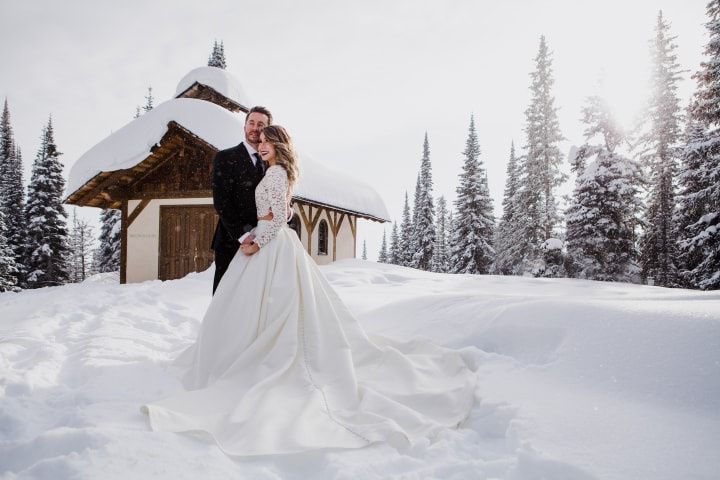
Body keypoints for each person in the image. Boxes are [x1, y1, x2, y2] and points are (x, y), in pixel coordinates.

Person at [142, 126, 478, 456]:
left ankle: (264, 356)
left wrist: (255, 242)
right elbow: (284, 211)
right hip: (274, 245)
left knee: (278, 307)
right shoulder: (279, 172)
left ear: (279, 145)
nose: (261, 146)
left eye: (268, 142)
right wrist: (274, 218)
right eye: (260, 142)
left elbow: (275, 222)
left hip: (269, 247)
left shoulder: (275, 174)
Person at [210, 105, 272, 294]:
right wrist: (243, 235)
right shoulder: (225, 157)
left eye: (260, 124)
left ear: (267, 130)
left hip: (263, 241)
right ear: (244, 126)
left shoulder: (272, 162)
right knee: (225, 294)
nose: (255, 128)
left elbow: (280, 194)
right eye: (251, 123)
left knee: (253, 296)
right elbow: (222, 201)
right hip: (232, 240)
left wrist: (288, 211)